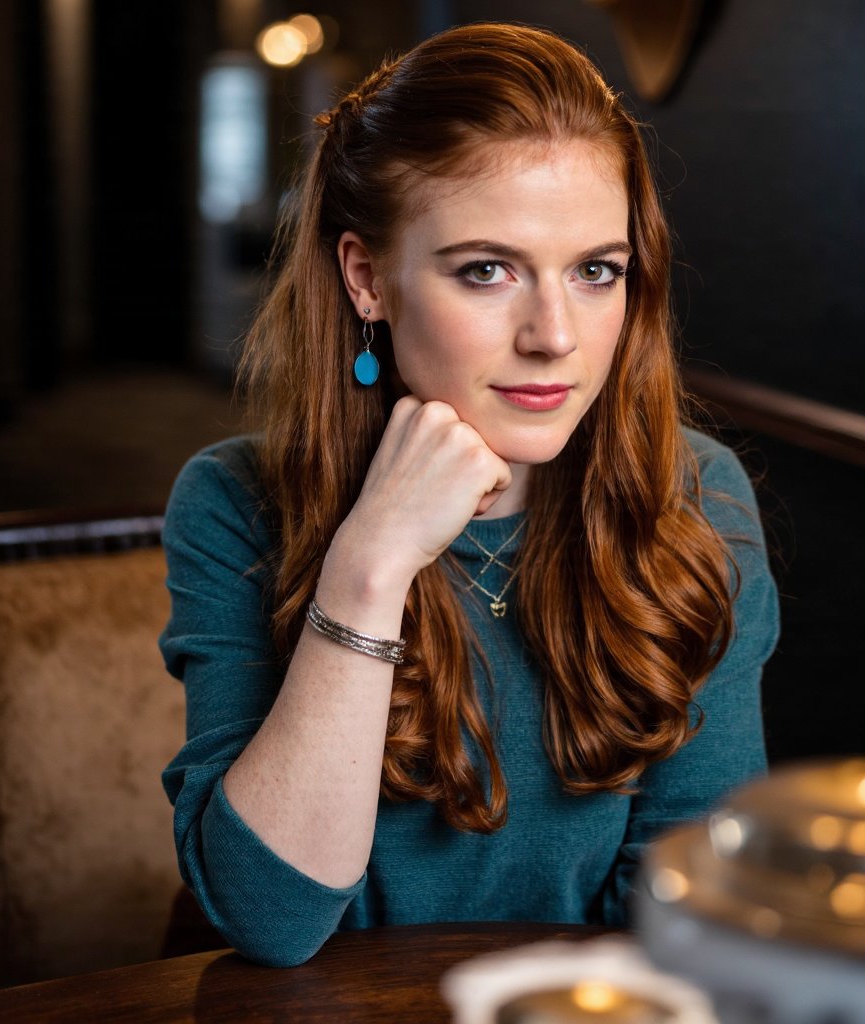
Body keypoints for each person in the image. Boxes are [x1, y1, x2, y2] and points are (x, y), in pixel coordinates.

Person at [160, 22, 779, 968]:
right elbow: (271, 919)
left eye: (594, 271)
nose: (554, 336)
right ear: (368, 278)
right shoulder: (235, 503)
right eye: (487, 270)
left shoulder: (694, 495)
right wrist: (368, 565)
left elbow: (696, 910)